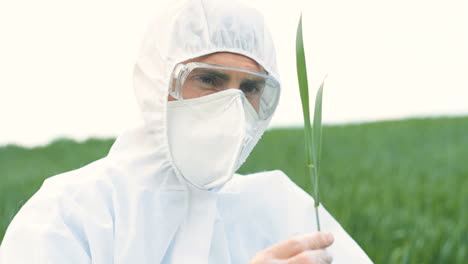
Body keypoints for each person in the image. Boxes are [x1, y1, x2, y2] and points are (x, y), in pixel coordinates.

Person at [0, 0, 373, 263]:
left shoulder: (281, 210)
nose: (232, 108)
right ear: (156, 83)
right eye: (209, 80)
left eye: (250, 89)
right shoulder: (70, 216)